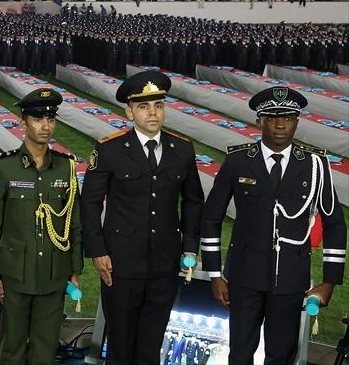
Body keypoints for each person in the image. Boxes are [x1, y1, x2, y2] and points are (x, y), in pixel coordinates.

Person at [200, 87, 345, 364]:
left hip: (291, 279)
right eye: (272, 118)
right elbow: (211, 218)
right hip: (243, 278)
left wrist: (329, 282)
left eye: (288, 118)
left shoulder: (315, 165)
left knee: (281, 355)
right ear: (259, 121)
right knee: (240, 353)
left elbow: (335, 224)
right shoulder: (237, 161)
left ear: (297, 122)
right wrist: (215, 274)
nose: (280, 125)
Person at [81, 71, 203, 365]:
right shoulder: (109, 149)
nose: (152, 113)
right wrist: (97, 251)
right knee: (120, 346)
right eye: (144, 107)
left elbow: (193, 200)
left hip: (164, 264)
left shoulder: (182, 149)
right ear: (130, 112)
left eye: (158, 106)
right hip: (120, 265)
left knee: (151, 346)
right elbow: (90, 203)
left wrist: (189, 247)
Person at [0, 89, 81, 365]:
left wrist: (75, 270)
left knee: (45, 350)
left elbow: (75, 223)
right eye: (38, 119)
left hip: (54, 273)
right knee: (12, 350)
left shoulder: (66, 168)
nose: (45, 126)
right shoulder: (3, 167)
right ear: (23, 123)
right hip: (14, 275)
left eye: (50, 119)